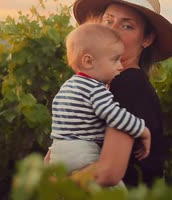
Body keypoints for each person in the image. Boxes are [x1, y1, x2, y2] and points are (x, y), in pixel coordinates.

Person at [69, 0, 172, 187]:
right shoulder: (103, 85)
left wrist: (53, 182)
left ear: (147, 39)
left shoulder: (130, 85)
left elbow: (108, 173)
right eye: (108, 20)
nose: (111, 31)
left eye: (126, 26)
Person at [48, 23, 152, 177]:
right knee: (115, 191)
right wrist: (143, 130)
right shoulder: (95, 89)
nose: (120, 66)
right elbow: (114, 116)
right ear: (89, 61)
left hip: (57, 153)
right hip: (82, 153)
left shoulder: (68, 86)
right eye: (115, 60)